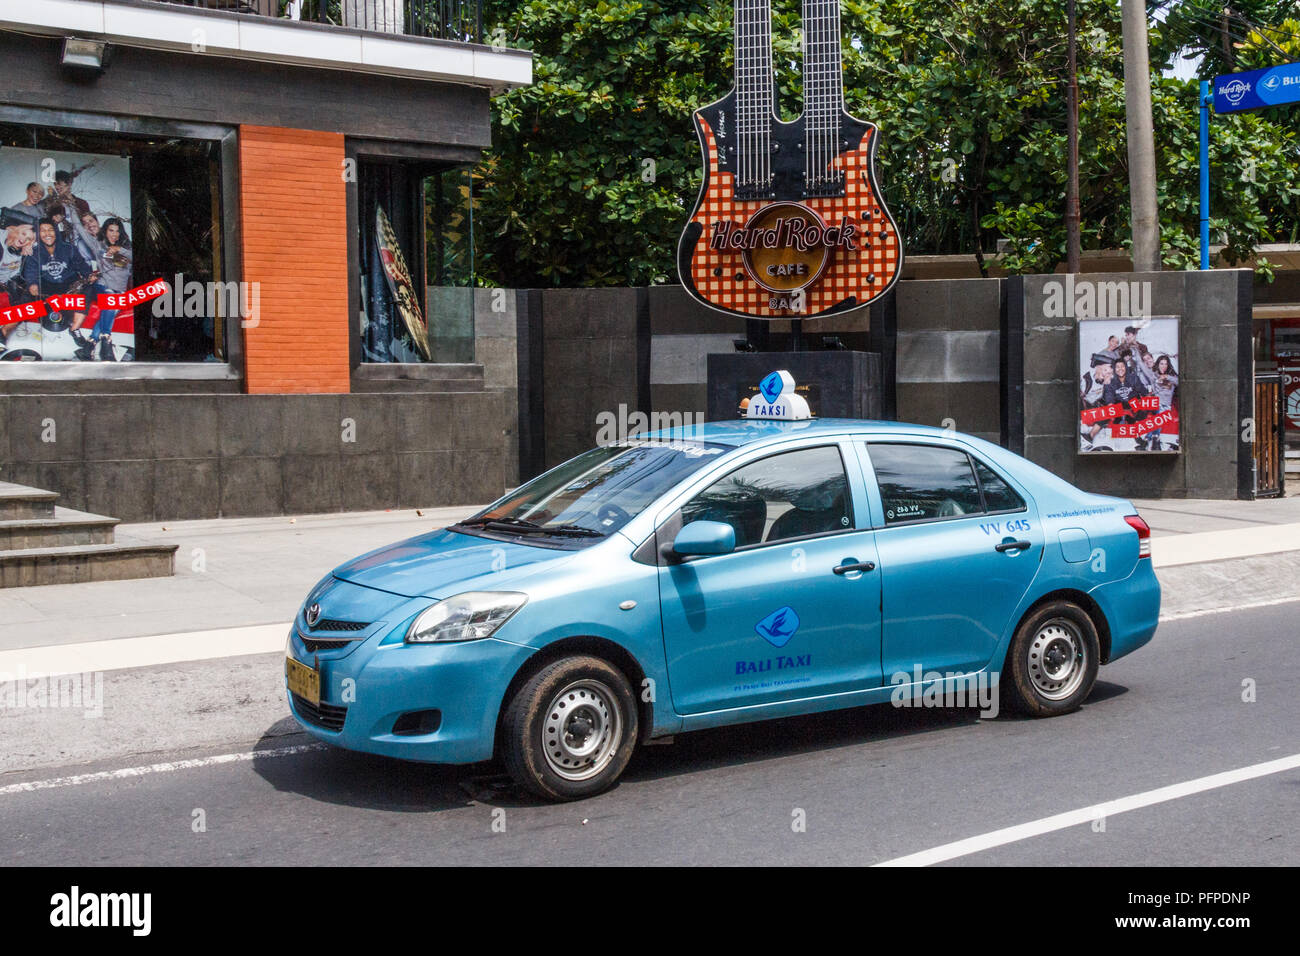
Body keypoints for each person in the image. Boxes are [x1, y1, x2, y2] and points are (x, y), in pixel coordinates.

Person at [21, 218, 96, 355]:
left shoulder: (70, 248)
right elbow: (30, 272)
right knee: (25, 295)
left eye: (50, 229)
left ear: (56, 231)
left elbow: (83, 266)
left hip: (69, 284)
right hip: (47, 286)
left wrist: (89, 276)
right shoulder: (33, 251)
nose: (47, 233)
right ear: (38, 234)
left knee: (89, 289)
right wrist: (32, 284)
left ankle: (75, 329)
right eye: (43, 230)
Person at [71, 216, 132, 361]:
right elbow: (79, 227)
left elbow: (134, 256)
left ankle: (89, 346)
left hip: (120, 290)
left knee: (110, 309)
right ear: (105, 231)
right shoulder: (98, 245)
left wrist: (119, 249)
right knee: (110, 301)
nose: (114, 234)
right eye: (111, 230)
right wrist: (69, 205)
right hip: (103, 286)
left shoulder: (127, 247)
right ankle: (106, 341)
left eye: (117, 231)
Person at [1103, 357, 1151, 451]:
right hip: (1120, 404)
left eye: (1122, 366)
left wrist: (1147, 396)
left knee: (1144, 409)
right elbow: (1109, 397)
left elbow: (1142, 390)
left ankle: (1139, 436)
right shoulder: (1110, 381)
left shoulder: (1133, 377)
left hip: (1133, 402)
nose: (1120, 369)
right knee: (1116, 424)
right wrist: (1110, 405)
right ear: (1114, 369)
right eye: (1117, 367)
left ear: (1126, 367)